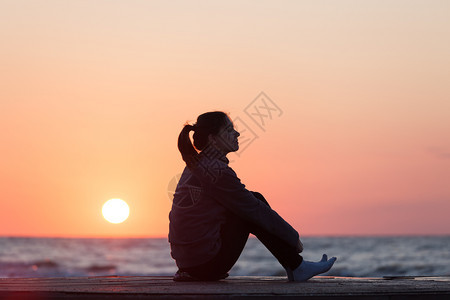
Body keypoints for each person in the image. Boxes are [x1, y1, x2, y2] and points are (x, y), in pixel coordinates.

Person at [168, 111, 336, 282]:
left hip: (190, 265)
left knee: (251, 201)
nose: (237, 133)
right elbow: (252, 208)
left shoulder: (197, 166)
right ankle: (297, 267)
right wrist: (292, 238)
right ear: (213, 139)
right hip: (205, 265)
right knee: (253, 205)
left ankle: (296, 267)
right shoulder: (215, 172)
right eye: (229, 130)